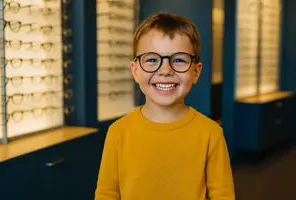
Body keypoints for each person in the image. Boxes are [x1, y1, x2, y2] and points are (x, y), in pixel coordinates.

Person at [95, 12, 235, 200]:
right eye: (152, 59)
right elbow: (107, 194)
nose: (165, 70)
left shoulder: (211, 133)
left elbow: (223, 195)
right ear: (135, 71)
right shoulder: (118, 132)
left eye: (178, 60)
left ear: (196, 71)